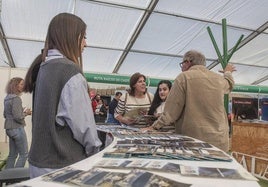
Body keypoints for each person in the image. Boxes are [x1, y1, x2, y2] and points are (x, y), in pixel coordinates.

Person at [23, 13, 102, 178]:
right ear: (71, 36)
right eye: (83, 37)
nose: (85, 44)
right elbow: (84, 128)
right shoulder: (69, 72)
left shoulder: (43, 67)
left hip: (39, 162)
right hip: (63, 166)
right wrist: (95, 153)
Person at [143, 50, 236, 152]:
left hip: (194, 141)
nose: (182, 67)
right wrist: (227, 72)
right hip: (219, 141)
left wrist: (154, 127)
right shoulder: (218, 78)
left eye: (182, 64)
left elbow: (172, 111)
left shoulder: (183, 78)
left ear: (188, 62)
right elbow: (229, 85)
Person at [3, 77, 32, 168]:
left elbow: (5, 114)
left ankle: (8, 178)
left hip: (9, 129)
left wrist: (20, 109)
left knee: (12, 155)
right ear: (16, 86)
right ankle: (15, 177)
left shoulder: (7, 98)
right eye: (21, 84)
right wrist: (26, 113)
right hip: (17, 129)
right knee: (24, 155)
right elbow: (18, 117)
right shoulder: (16, 99)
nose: (23, 86)